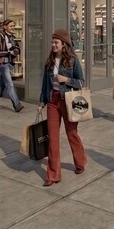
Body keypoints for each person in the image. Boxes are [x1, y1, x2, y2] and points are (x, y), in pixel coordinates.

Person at [37, 29, 87, 186]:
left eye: (56, 42)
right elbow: (45, 84)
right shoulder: (50, 61)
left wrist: (67, 79)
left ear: (64, 44)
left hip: (68, 101)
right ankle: (53, 175)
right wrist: (41, 102)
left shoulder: (73, 60)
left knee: (72, 134)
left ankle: (80, 162)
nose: (53, 45)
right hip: (53, 101)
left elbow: (81, 82)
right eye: (52, 42)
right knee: (52, 138)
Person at [0, 19, 24, 113]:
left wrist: (16, 50)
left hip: (9, 63)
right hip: (3, 64)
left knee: (1, 85)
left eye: (13, 26)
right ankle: (17, 105)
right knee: (9, 84)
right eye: (11, 26)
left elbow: (16, 48)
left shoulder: (12, 37)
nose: (13, 27)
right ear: (5, 27)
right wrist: (9, 52)